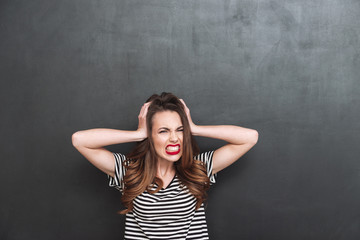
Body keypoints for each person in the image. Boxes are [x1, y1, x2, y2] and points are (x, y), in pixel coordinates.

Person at [72, 92, 258, 240]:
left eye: (179, 130)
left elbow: (250, 137)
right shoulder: (129, 171)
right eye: (163, 131)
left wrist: (194, 128)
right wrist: (137, 134)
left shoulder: (199, 168)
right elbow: (79, 140)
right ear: (149, 136)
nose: (174, 138)